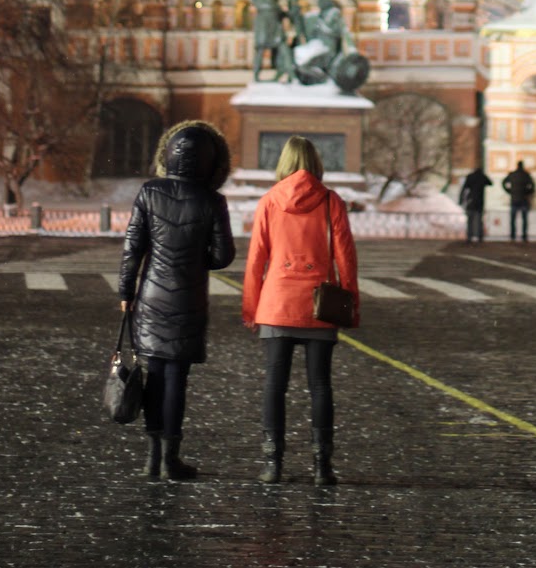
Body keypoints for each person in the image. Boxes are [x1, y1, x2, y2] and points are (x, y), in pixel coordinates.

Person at [119, 121, 235, 481]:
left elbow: (133, 247)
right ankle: (171, 459)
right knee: (176, 380)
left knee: (154, 375)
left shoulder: (149, 192)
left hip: (151, 296)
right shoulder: (213, 201)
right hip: (189, 299)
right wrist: (195, 258)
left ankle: (152, 458)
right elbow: (224, 255)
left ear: (167, 155)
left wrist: (126, 291)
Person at [242, 135, 359, 487]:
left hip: (277, 303)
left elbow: (256, 258)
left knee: (274, 385)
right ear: (315, 161)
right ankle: (322, 465)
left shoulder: (269, 201)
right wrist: (350, 304)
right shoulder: (330, 201)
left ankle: (272, 463)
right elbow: (345, 257)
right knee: (320, 386)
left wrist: (251, 307)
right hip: (319, 304)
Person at [502, 160, 536, 241]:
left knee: (513, 219)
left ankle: (513, 235)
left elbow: (503, 183)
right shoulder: (526, 175)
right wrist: (528, 192)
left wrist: (509, 191)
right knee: (524, 219)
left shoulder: (513, 174)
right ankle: (524, 235)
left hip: (514, 199)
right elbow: (533, 186)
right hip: (524, 199)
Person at [459, 164, 492, 243]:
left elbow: (464, 189)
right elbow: (490, 183)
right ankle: (479, 236)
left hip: (471, 201)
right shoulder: (482, 177)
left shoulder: (470, 177)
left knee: (470, 220)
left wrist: (461, 200)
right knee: (479, 220)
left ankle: (469, 236)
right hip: (479, 202)